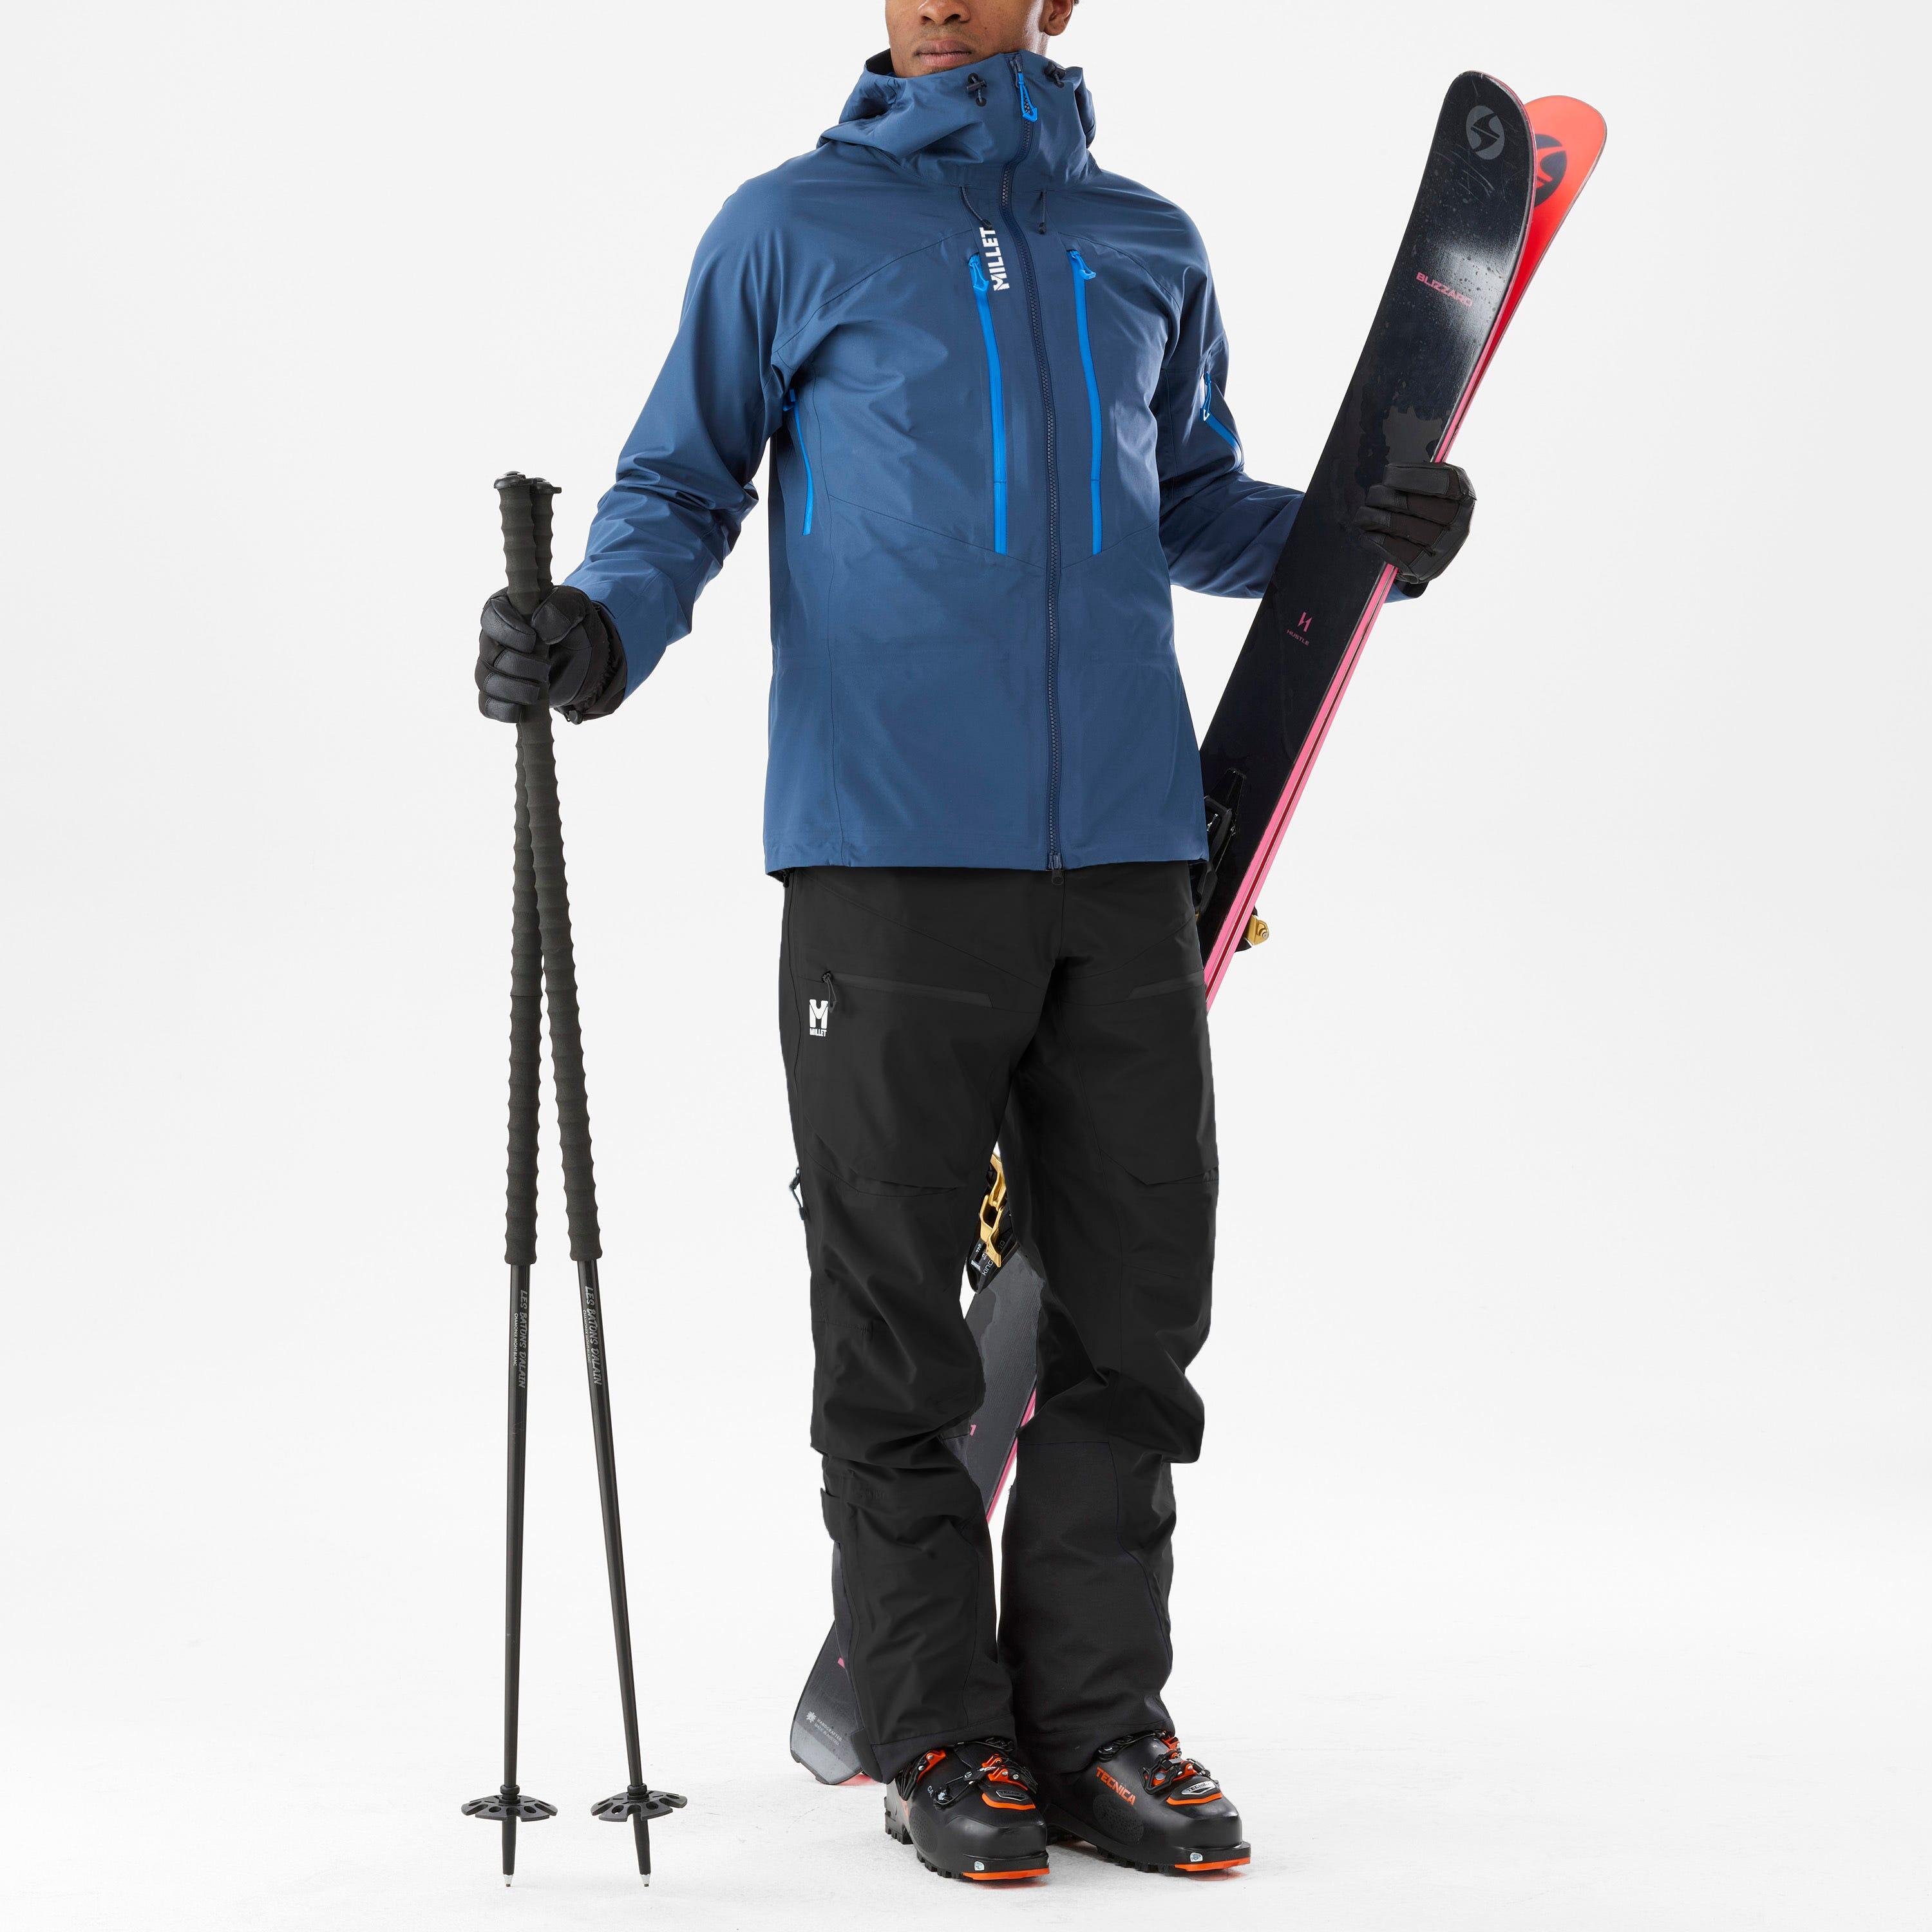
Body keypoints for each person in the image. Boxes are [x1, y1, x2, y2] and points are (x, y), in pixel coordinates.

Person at [475, 0, 1474, 1884]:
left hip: (1129, 859)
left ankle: (1097, 1725)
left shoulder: (1145, 242)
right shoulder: (788, 226)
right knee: (896, 1320)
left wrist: (1376, 538)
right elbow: (679, 486)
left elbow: (1195, 507)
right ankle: (938, 1723)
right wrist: (599, 631)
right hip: (885, 856)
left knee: (1130, 1317)